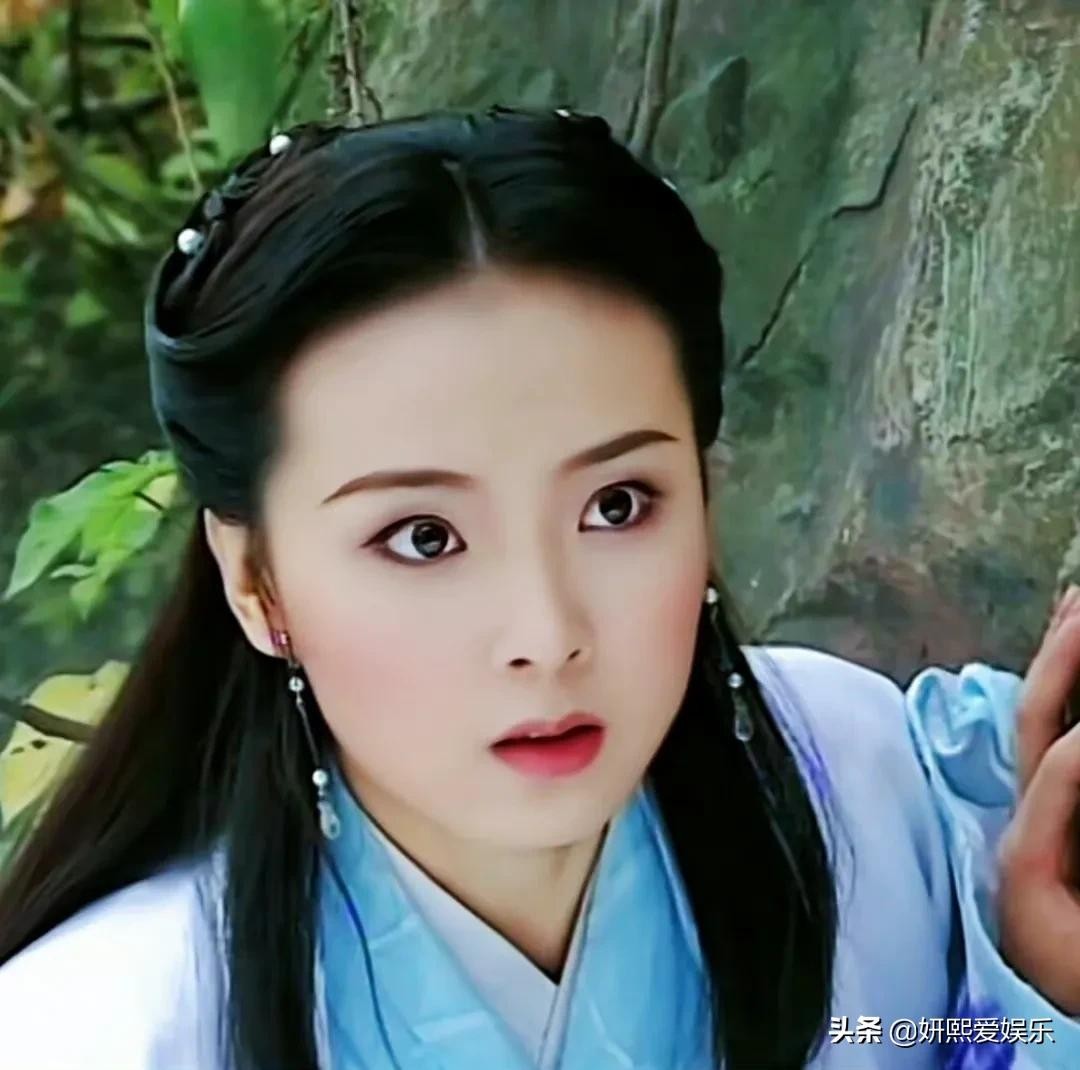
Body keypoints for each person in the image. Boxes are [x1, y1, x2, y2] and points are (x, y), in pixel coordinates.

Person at [0, 105, 1077, 1070]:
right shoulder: (99, 1031)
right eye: (424, 537)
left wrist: (1043, 995)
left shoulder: (870, 790)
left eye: (617, 505)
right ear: (257, 582)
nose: (548, 632)